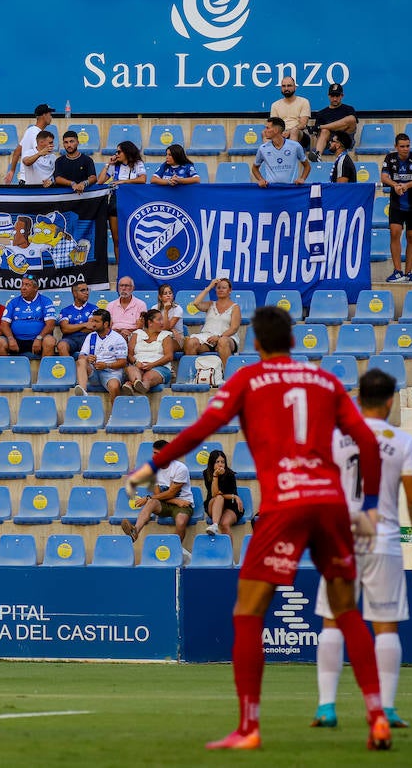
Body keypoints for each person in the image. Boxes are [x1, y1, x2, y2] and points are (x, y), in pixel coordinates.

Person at [124, 306, 391, 752]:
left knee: (248, 611)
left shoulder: (249, 380)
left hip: (286, 503)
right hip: (330, 503)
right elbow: (366, 440)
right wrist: (369, 504)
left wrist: (151, 467)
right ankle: (378, 716)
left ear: (259, 343)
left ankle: (249, 727)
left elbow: (201, 431)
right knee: (346, 610)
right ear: (290, 339)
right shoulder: (324, 381)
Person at [313, 368, 412, 731]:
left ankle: (327, 707)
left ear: (357, 398)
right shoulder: (404, 442)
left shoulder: (335, 438)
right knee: (385, 626)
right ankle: (387, 708)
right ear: (391, 400)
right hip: (384, 539)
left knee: (332, 621)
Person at [120, 439, 194, 563]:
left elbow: (171, 492)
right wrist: (175, 501)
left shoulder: (180, 469)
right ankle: (135, 531)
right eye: (153, 453)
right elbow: (158, 494)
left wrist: (151, 498)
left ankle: (174, 549)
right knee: (151, 502)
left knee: (181, 522)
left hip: (184, 504)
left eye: (157, 454)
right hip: (171, 503)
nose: (154, 457)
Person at [381, 132, 412, 283]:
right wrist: (395, 185)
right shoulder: (390, 158)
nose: (405, 149)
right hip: (396, 203)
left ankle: (408, 273)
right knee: (395, 233)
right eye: (402, 146)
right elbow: (384, 177)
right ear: (396, 147)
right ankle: (397, 271)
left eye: (407, 146)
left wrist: (407, 185)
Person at [99, 140, 145, 265]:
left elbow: (143, 179)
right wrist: (108, 164)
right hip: (116, 202)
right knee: (117, 239)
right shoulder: (115, 165)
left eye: (119, 151)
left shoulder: (137, 164)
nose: (117, 154)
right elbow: (100, 181)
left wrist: (123, 182)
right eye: (116, 152)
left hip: (132, 202)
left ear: (127, 152)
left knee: (132, 238)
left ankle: (135, 266)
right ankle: (121, 268)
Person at [183, 278, 242, 364]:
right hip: (208, 338)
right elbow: (196, 303)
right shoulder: (210, 304)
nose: (221, 290)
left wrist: (219, 337)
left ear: (230, 290)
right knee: (190, 342)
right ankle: (193, 375)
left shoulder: (235, 307)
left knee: (223, 341)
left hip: (227, 338)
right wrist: (209, 287)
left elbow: (234, 328)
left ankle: (228, 375)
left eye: (224, 287)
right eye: (218, 287)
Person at [74, 308, 128, 397]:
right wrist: (87, 358)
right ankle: (83, 392)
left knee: (114, 387)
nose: (93, 324)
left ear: (106, 324)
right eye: (92, 321)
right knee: (81, 361)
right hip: (94, 371)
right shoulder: (91, 336)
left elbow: (123, 362)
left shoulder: (118, 339)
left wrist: (106, 365)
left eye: (96, 321)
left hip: (111, 372)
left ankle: (115, 410)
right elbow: (81, 356)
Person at [0, 274, 57, 357]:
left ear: (35, 288)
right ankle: (6, 369)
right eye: (22, 284)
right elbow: (4, 325)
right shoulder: (13, 302)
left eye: (27, 285)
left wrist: (39, 338)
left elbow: (50, 325)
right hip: (17, 340)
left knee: (50, 341)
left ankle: (44, 369)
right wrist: (10, 338)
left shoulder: (45, 301)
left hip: (38, 340)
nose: (23, 288)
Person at [124, 309, 175, 394]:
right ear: (150, 322)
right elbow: (129, 354)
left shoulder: (166, 335)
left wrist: (152, 365)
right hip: (138, 365)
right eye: (159, 320)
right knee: (131, 369)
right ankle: (136, 383)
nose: (162, 322)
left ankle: (137, 385)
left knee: (148, 377)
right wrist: (136, 362)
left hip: (159, 367)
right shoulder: (137, 334)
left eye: (162, 319)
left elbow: (169, 356)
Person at [5, 103, 53, 185]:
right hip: (32, 182)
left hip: (25, 180)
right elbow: (39, 156)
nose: (51, 117)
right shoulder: (37, 134)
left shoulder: (30, 130)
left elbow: (17, 151)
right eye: (50, 114)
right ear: (44, 115)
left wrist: (12, 171)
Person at [253, 117, 309, 187]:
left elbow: (307, 166)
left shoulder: (295, 146)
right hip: (272, 190)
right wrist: (260, 179)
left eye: (267, 128)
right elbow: (255, 168)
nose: (264, 131)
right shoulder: (263, 148)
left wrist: (302, 179)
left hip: (290, 189)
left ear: (276, 130)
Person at [202, 449, 243, 536]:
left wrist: (234, 497)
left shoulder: (230, 474)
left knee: (224, 524)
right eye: (217, 462)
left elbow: (232, 493)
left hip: (230, 506)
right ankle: (215, 525)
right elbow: (214, 494)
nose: (220, 464)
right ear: (212, 463)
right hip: (214, 504)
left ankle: (229, 549)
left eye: (222, 462)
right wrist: (215, 476)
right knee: (219, 497)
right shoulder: (207, 473)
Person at [311, 82, 358, 157]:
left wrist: (322, 126)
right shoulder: (321, 113)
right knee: (324, 131)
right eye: (332, 96)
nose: (335, 98)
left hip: (345, 141)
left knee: (351, 118)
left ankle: (325, 130)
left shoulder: (349, 109)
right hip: (329, 143)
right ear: (329, 96)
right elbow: (318, 135)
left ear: (342, 96)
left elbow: (353, 124)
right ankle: (317, 156)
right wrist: (324, 130)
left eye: (337, 95)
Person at [55, 281, 102, 357]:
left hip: (87, 338)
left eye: (87, 290)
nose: (86, 293)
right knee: (62, 345)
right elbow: (65, 329)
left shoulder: (94, 309)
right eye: (83, 290)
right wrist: (84, 324)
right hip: (70, 339)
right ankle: (69, 368)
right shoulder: (65, 310)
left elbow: (91, 328)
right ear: (74, 293)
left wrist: (71, 327)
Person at [270, 75, 312, 147]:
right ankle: (269, 157)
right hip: (282, 133)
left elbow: (303, 124)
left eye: (289, 86)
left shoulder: (304, 102)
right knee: (265, 133)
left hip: (300, 134)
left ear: (295, 87)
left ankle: (291, 157)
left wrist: (289, 131)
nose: (286, 88)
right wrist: (281, 133)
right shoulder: (275, 105)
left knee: (294, 131)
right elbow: (274, 124)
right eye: (284, 86)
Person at [108, 276, 148, 342]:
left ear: (132, 288)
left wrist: (129, 332)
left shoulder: (140, 304)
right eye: (121, 286)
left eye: (126, 286)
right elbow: (108, 325)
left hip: (133, 335)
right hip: (114, 335)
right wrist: (117, 332)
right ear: (118, 288)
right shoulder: (111, 305)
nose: (123, 288)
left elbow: (141, 327)